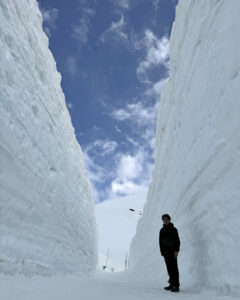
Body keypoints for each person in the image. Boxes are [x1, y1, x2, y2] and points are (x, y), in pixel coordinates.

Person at [159, 214, 180, 292]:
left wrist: (176, 250)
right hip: (166, 253)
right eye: (163, 219)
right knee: (169, 269)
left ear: (169, 219)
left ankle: (176, 285)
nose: (165, 221)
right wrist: (162, 252)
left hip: (172, 252)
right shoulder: (162, 230)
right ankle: (171, 284)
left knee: (174, 269)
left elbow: (177, 241)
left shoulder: (174, 230)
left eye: (166, 219)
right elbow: (160, 242)